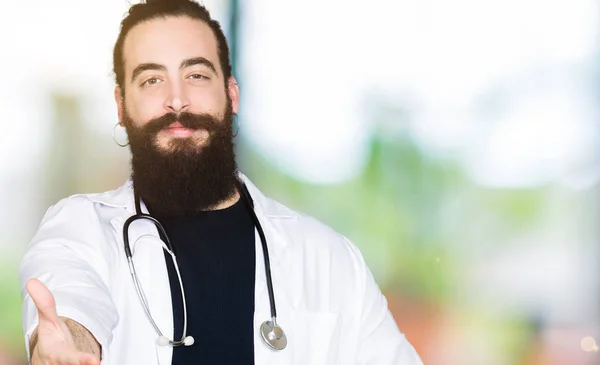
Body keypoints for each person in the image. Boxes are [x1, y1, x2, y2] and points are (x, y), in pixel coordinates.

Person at [19, 0, 423, 364]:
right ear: (121, 106)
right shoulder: (80, 228)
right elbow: (71, 303)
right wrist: (66, 347)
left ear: (231, 95)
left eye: (196, 75)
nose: (176, 101)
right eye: (151, 80)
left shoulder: (329, 260)